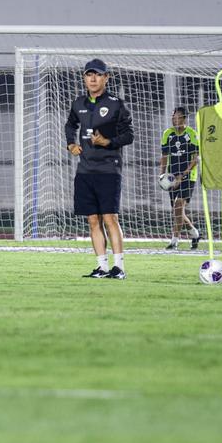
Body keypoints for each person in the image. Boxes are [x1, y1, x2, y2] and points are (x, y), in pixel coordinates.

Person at [64, 59, 134, 279]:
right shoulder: (78, 103)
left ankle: (119, 267)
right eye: (88, 74)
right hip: (85, 170)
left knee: (110, 218)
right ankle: (102, 267)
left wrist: (108, 142)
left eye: (97, 75)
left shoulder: (116, 104)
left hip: (108, 169)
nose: (92, 78)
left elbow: (129, 135)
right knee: (92, 220)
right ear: (84, 78)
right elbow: (70, 124)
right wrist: (71, 143)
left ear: (106, 78)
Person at [159, 107, 201, 250]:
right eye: (173, 116)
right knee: (178, 211)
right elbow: (164, 156)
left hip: (189, 176)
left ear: (184, 118)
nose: (174, 119)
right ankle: (194, 233)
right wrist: (162, 174)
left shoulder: (191, 134)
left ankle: (174, 241)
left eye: (177, 117)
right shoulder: (167, 134)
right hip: (171, 176)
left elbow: (196, 159)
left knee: (178, 205)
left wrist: (182, 176)